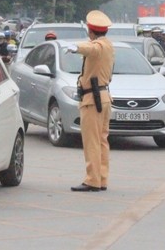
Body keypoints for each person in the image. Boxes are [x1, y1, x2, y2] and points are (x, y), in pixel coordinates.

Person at [67, 10, 114, 192]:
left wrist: (76, 47)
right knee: (102, 141)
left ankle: (92, 179)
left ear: (91, 30)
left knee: (92, 141)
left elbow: (91, 48)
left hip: (93, 99)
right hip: (102, 98)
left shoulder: (99, 47)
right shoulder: (109, 46)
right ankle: (101, 178)